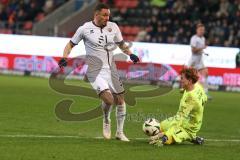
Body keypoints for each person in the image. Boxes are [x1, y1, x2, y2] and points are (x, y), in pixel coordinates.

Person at [58, 3, 139, 142]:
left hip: (111, 68)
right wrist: (65, 57)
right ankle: (106, 119)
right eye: (104, 15)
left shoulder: (113, 27)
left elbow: (121, 44)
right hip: (95, 70)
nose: (107, 18)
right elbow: (70, 44)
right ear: (96, 15)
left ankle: (120, 133)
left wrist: (131, 54)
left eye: (108, 15)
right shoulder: (84, 29)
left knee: (121, 100)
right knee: (109, 99)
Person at [150, 67, 207, 146]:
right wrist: (183, 89)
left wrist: (165, 136)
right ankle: (185, 136)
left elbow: (180, 119)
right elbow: (205, 97)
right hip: (181, 119)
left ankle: (191, 136)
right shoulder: (196, 85)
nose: (180, 80)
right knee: (158, 127)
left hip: (189, 127)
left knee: (167, 140)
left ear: (190, 81)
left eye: (182, 78)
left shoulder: (191, 99)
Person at [188, 23, 211, 99]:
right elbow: (193, 50)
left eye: (203, 30)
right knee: (192, 79)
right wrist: (202, 48)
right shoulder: (194, 38)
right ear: (197, 30)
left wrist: (204, 52)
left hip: (200, 61)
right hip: (193, 62)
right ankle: (188, 90)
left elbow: (200, 50)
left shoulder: (203, 38)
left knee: (206, 73)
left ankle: (206, 92)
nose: (202, 31)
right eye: (200, 30)